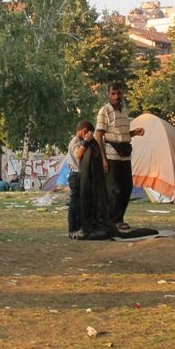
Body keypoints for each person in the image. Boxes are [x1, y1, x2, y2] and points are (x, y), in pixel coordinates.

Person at [94, 81, 145, 232]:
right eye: (113, 93)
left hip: (125, 155)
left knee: (127, 187)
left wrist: (134, 133)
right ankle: (111, 220)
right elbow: (99, 135)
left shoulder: (125, 111)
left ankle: (119, 218)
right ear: (108, 94)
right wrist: (103, 158)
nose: (116, 96)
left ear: (122, 93)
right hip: (111, 155)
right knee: (113, 189)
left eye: (119, 93)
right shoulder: (104, 111)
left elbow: (120, 135)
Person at [65, 120, 94, 238]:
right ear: (85, 131)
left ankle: (81, 227)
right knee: (75, 204)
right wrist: (87, 141)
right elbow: (78, 154)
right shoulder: (76, 141)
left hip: (80, 175)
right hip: (76, 175)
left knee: (81, 203)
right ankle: (73, 229)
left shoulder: (79, 140)